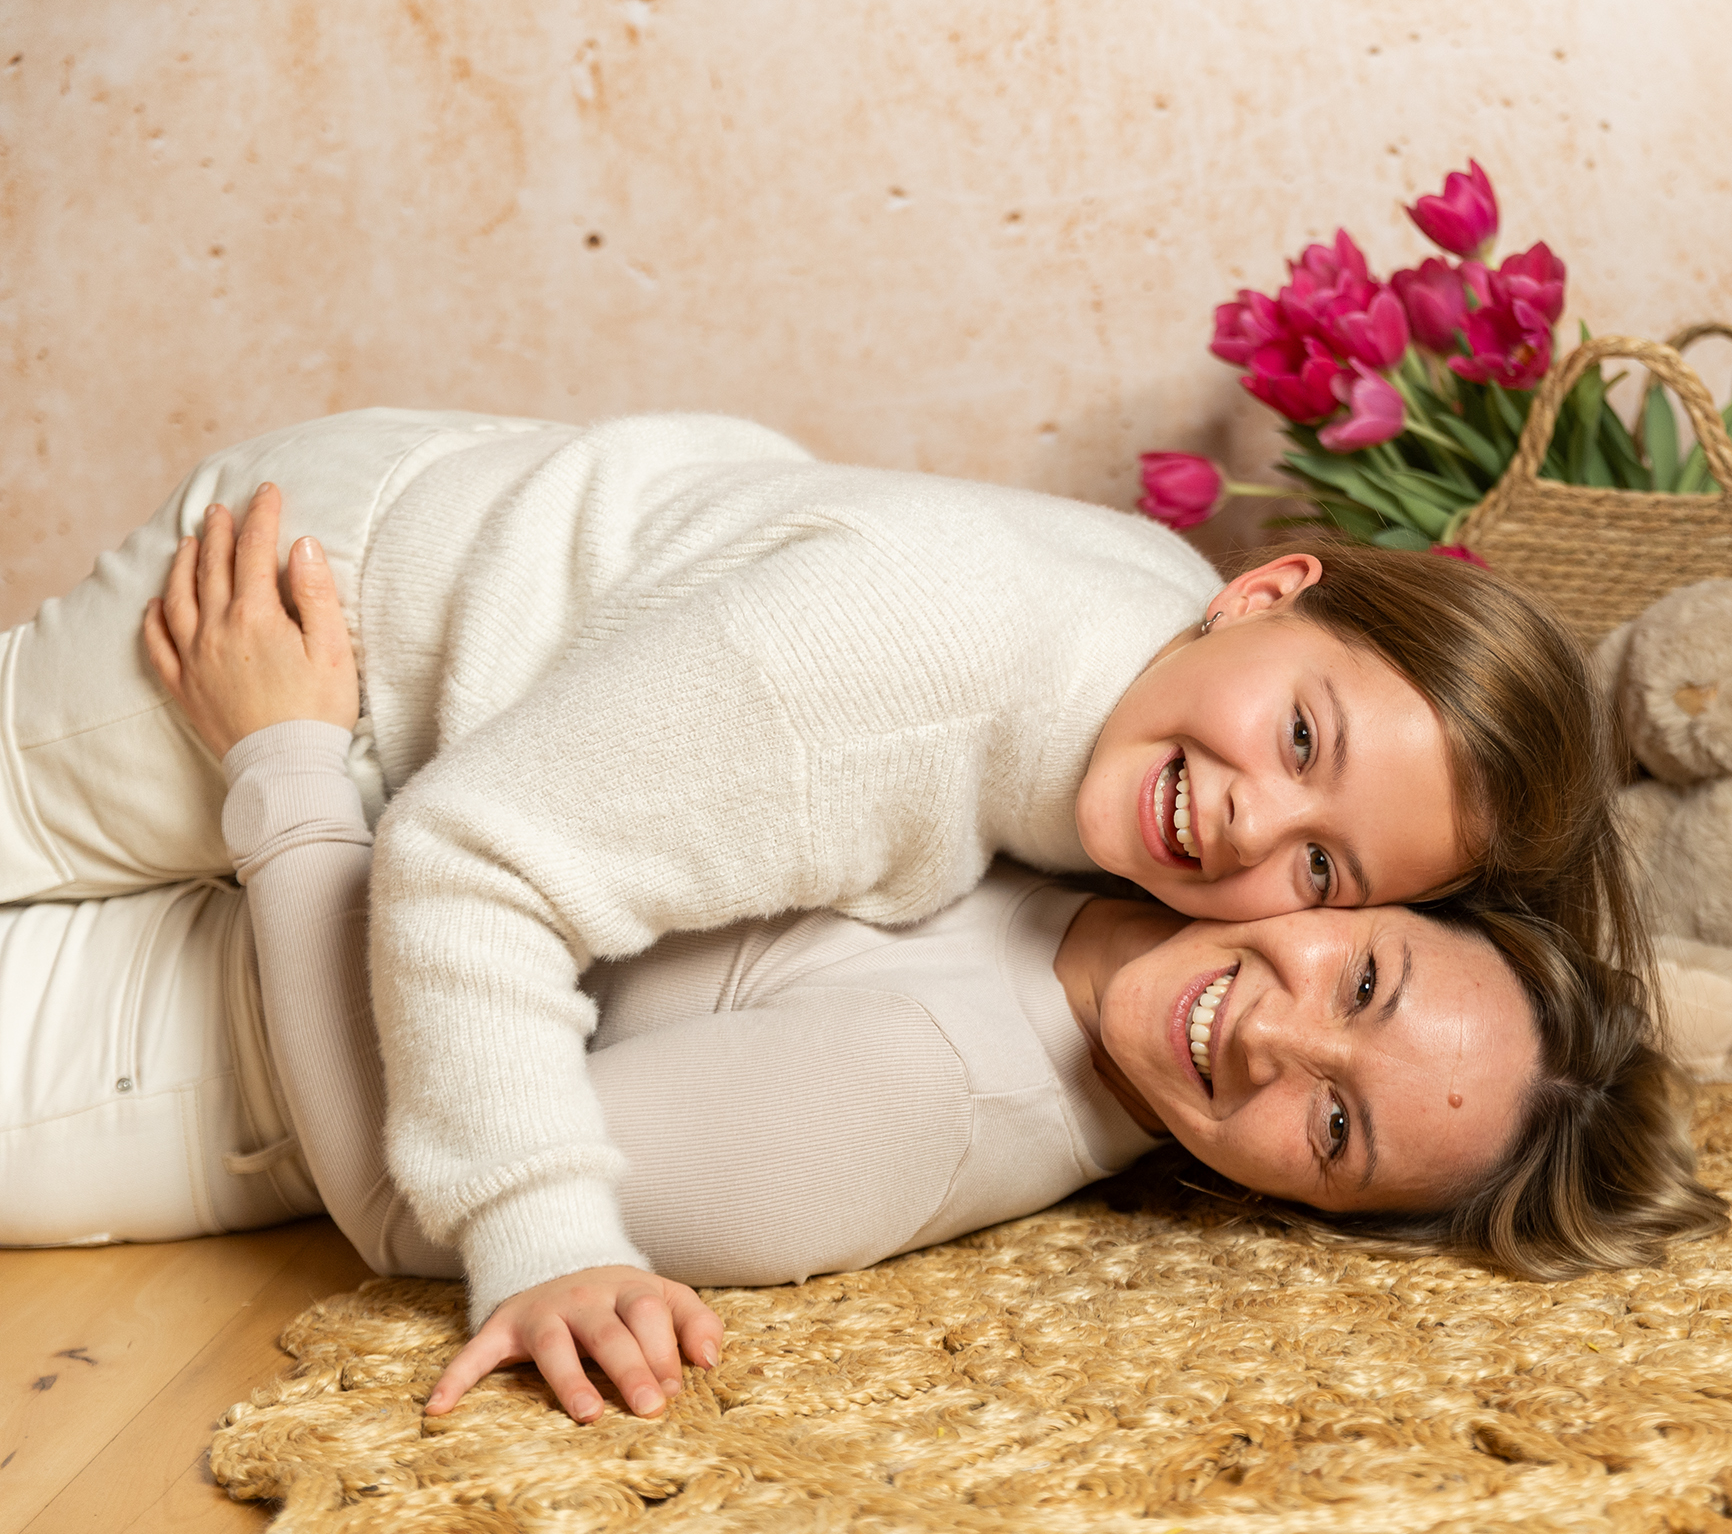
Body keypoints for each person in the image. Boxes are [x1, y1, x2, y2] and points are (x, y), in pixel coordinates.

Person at [0, 411, 1641, 1401]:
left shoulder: (1146, 662)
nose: (1247, 827)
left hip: (382, 727)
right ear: (1264, 585)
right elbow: (471, 860)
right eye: (1353, 979)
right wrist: (550, 1248)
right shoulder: (909, 683)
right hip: (334, 621)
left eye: (1326, 866)